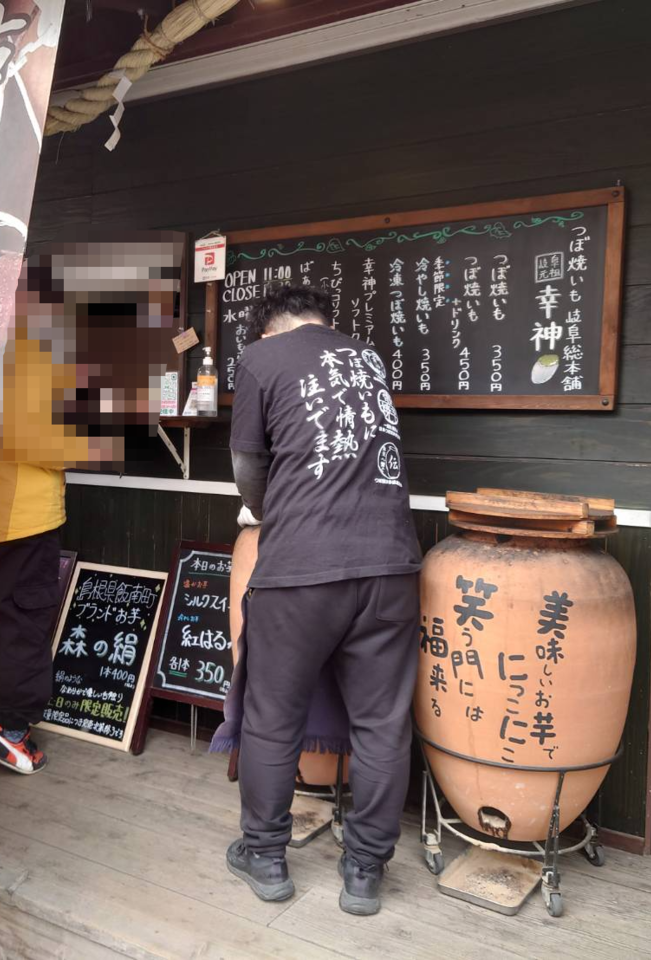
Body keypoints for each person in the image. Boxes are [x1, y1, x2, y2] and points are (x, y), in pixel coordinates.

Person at [222, 283, 422, 916]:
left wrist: (263, 513)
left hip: (303, 569)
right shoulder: (367, 358)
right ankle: (365, 871)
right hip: (392, 564)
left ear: (267, 328)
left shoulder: (261, 359)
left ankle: (267, 857)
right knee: (382, 725)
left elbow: (248, 466)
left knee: (273, 716)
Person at [0, 279, 85, 775]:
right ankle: (11, 731)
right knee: (23, 624)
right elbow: (48, 442)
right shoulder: (34, 357)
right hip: (22, 516)